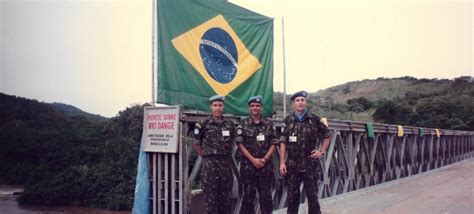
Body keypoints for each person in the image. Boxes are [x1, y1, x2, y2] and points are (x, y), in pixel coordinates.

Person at [278, 91, 332, 214]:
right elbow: (283, 142)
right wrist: (282, 162)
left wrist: (321, 151)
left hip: (310, 164)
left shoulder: (314, 119)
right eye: (297, 100)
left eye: (302, 100)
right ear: (293, 103)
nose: (300, 102)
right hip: (292, 165)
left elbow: (327, 134)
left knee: (312, 198)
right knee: (292, 199)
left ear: (306, 102)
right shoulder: (287, 120)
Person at [193, 95, 236, 214]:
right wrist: (206, 156)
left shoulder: (229, 124)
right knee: (211, 200)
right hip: (210, 166)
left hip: (225, 165)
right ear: (211, 107)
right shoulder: (203, 124)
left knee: (226, 200)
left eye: (220, 105)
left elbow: (232, 142)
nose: (218, 108)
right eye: (215, 105)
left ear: (223, 107)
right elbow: (196, 143)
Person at [236, 95, 278, 214]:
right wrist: (253, 160)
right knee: (248, 198)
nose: (255, 108)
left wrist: (265, 159)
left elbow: (274, 142)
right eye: (253, 106)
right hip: (248, 167)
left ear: (261, 108)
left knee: (266, 198)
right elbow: (240, 144)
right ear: (249, 108)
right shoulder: (243, 124)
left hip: (265, 167)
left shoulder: (269, 124)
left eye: (257, 106)